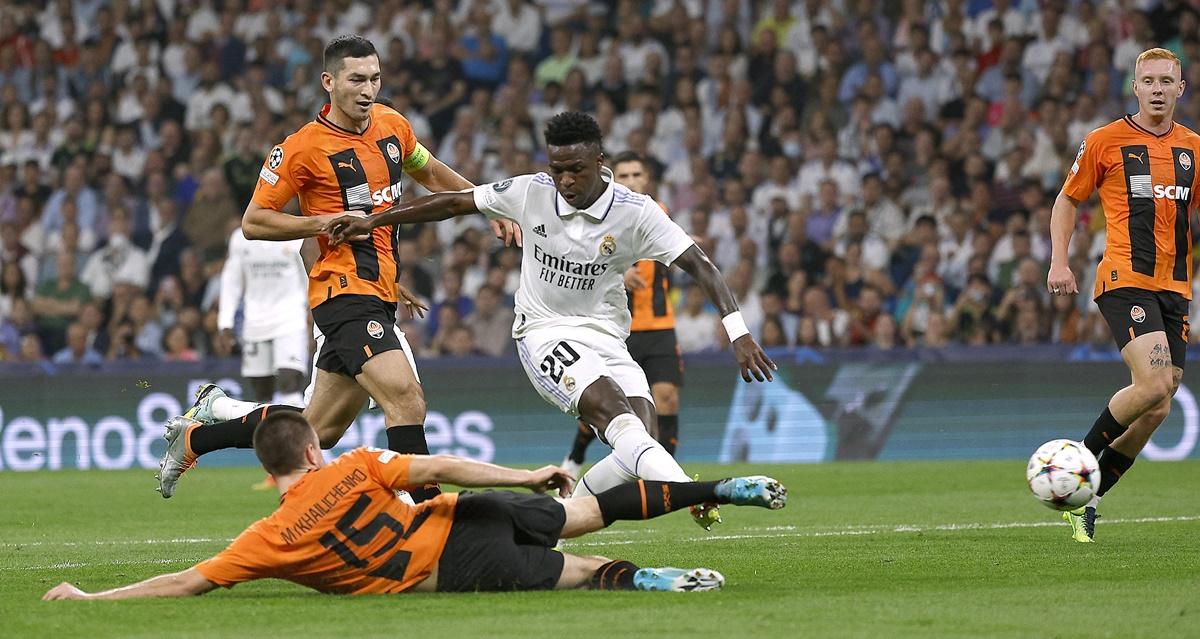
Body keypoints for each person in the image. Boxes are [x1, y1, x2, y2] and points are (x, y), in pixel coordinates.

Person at [327, 112, 776, 529]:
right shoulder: (531, 192)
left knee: (639, 446)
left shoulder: (635, 212)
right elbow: (451, 203)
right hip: (543, 334)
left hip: (607, 337)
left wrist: (738, 332)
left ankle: (558, 523)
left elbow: (701, 265)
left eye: (576, 169)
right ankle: (705, 494)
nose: (565, 180)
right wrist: (374, 220)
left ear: (600, 162)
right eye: (557, 168)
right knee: (620, 422)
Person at [155, 35, 519, 502]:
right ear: (329, 82)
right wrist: (320, 222)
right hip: (342, 294)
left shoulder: (393, 125)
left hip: (379, 290)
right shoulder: (301, 148)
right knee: (406, 399)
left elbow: (429, 171)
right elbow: (254, 222)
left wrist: (486, 204)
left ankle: (198, 434)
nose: (368, 89)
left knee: (316, 431)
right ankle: (433, 520)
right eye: (357, 79)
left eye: (375, 78)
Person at [44, 411, 787, 599]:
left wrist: (88, 595)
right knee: (598, 507)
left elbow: (185, 582)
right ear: (311, 450)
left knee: (582, 569)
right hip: (463, 510)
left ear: (270, 468)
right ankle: (714, 487)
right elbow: (438, 463)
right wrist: (521, 477)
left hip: (447, 563)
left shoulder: (268, 536)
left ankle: (661, 580)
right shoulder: (360, 463)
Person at [1047, 48, 1200, 543]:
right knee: (1154, 384)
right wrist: (1058, 261)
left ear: (1181, 88)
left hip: (1176, 286)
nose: (1157, 89)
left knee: (1158, 407)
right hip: (1124, 278)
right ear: (1134, 88)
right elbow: (1067, 200)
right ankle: (1073, 468)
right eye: (1148, 81)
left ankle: (1087, 500)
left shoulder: (1194, 149)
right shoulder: (1105, 142)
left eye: (1166, 81)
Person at [561, 151, 687, 479]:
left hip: (659, 326)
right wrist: (620, 274)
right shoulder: (596, 216)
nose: (631, 181)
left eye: (637, 175)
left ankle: (663, 477)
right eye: (625, 175)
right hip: (616, 328)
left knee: (667, 399)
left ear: (647, 179)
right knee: (606, 403)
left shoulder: (658, 212)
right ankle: (575, 458)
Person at [217, 228, 309, 405]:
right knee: (262, 393)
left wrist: (313, 314)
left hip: (290, 319)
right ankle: (267, 431)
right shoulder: (240, 237)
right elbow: (232, 281)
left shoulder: (296, 232)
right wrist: (225, 323)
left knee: (288, 382)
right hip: (254, 323)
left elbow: (308, 277)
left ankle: (296, 431)